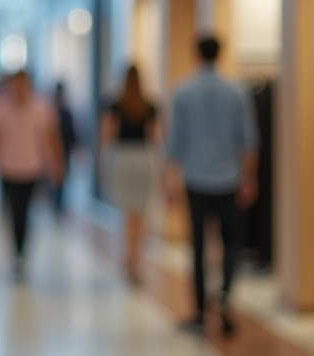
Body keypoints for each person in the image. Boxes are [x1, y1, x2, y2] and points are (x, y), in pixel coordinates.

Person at [165, 35, 259, 336]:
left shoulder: (182, 92)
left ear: (196, 54)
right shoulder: (236, 91)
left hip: (195, 179)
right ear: (220, 54)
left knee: (198, 246)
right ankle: (225, 298)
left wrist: (169, 181)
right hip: (228, 179)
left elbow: (174, 144)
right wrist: (249, 178)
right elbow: (248, 140)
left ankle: (199, 313)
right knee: (231, 242)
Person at [0, 70, 64, 278]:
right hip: (7, 168)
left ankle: (22, 254)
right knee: (13, 212)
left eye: (23, 84)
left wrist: (57, 164)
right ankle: (16, 254)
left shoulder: (41, 108)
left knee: (25, 212)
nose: (19, 89)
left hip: (32, 168)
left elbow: (51, 138)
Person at [100, 65, 159, 284]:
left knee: (128, 214)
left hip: (122, 157)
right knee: (139, 214)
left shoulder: (116, 104)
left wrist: (102, 162)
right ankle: (136, 259)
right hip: (142, 158)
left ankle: (129, 259)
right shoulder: (149, 105)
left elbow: (108, 134)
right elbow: (154, 138)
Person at [51, 82, 77, 214]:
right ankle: (57, 202)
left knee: (59, 176)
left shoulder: (53, 111)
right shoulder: (53, 112)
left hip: (62, 149)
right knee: (59, 176)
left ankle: (58, 202)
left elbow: (71, 133)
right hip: (60, 149)